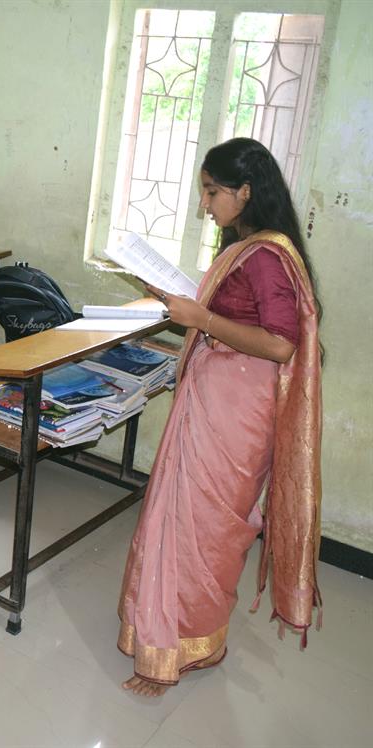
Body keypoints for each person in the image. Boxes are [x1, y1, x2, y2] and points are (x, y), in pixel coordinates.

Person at [117, 138, 323, 697]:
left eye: (212, 192)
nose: (204, 205)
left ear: (245, 192)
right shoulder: (245, 247)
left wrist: (201, 318)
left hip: (237, 408)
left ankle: (187, 644)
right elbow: (237, 315)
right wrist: (182, 302)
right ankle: (171, 635)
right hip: (217, 393)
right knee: (185, 519)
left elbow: (280, 344)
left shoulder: (268, 257)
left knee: (206, 528)